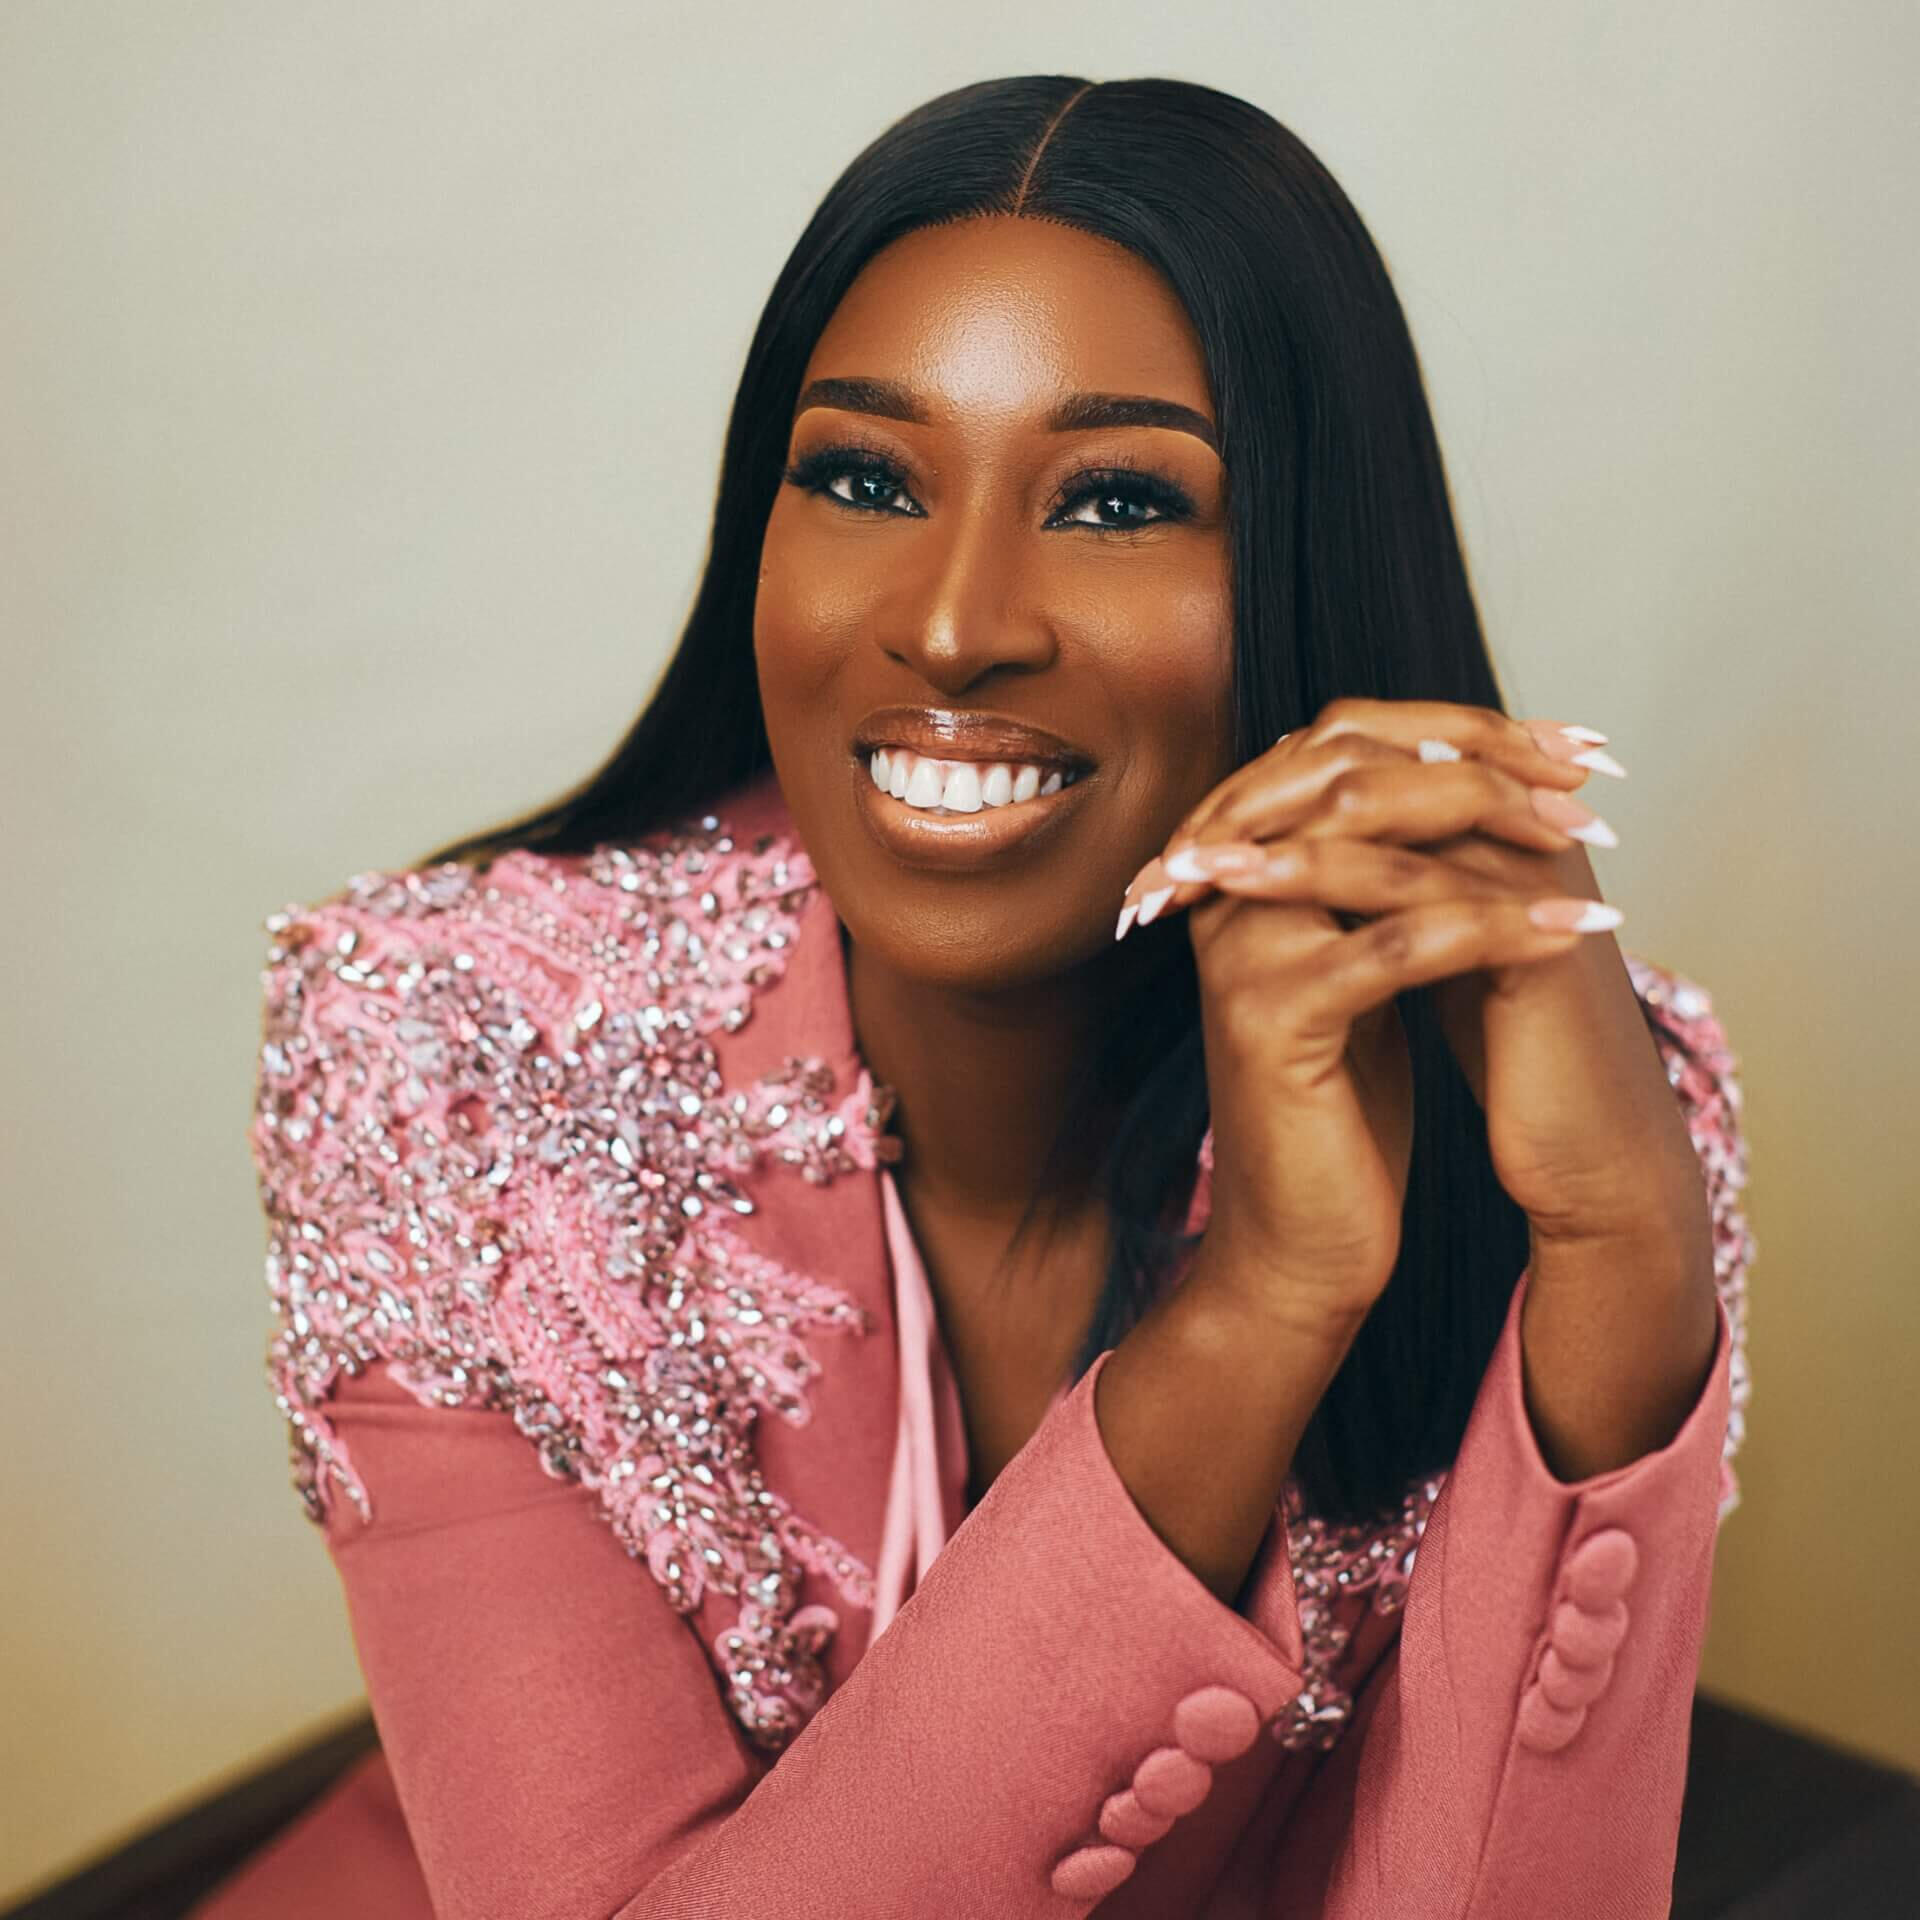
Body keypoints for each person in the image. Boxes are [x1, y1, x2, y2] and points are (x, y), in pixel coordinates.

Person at [198, 74, 1753, 1919]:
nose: (952, 624)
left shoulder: (1564, 1094)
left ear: (1308, 573)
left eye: (1117, 500)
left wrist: (1631, 1253)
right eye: (864, 478)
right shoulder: (451, 1056)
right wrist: (1257, 1312)